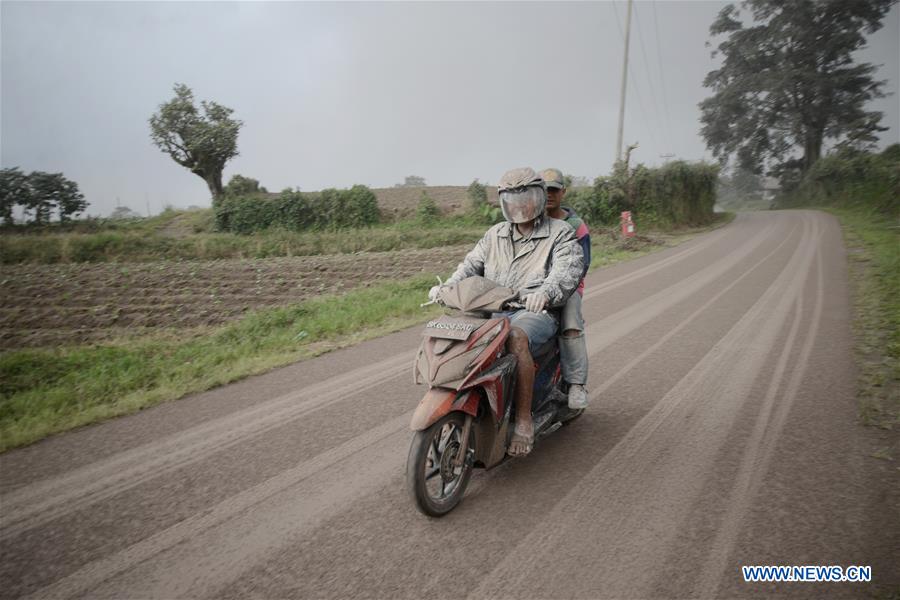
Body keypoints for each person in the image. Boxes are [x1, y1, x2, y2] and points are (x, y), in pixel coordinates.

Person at [429, 167, 584, 457]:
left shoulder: (560, 233)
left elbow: (567, 270)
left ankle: (523, 421)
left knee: (515, 337)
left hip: (535, 313)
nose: (519, 205)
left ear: (538, 198)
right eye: (512, 199)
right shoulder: (494, 235)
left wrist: (546, 293)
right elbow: (470, 266)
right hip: (493, 310)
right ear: (504, 202)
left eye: (526, 197)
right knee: (459, 331)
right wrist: (446, 288)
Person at [540, 168, 591, 409]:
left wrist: (557, 287)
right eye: (544, 189)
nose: (549, 194)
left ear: (563, 192)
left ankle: (576, 384)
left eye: (554, 189)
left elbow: (583, 265)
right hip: (532, 285)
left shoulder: (575, 225)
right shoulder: (532, 220)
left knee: (570, 323)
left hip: (568, 288)